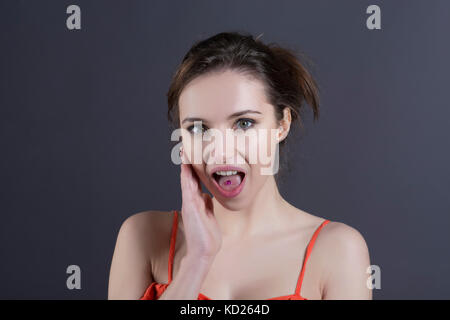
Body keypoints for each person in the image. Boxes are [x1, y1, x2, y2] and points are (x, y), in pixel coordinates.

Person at [108, 31, 372, 300]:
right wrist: (197, 261)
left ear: (282, 124)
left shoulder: (338, 251)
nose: (221, 150)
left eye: (244, 123)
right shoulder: (143, 236)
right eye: (199, 128)